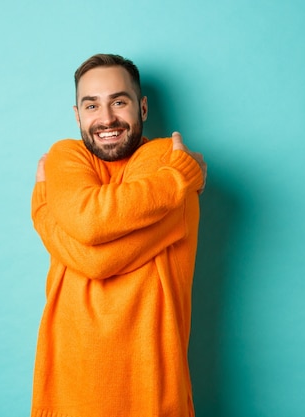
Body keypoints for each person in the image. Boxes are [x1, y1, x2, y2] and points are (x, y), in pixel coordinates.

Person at [31, 53, 207, 417]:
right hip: (68, 394)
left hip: (152, 397)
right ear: (78, 115)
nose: (106, 118)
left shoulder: (164, 158)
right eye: (91, 105)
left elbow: (95, 252)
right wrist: (45, 212)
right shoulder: (67, 155)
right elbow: (91, 226)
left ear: (142, 107)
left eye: (119, 102)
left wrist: (44, 208)